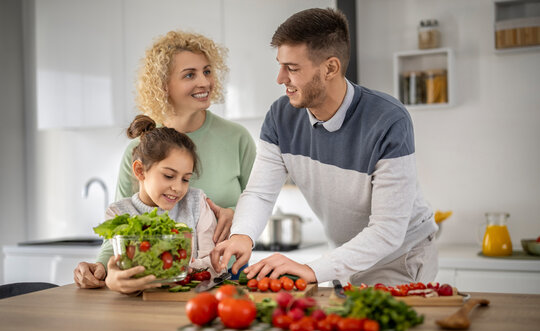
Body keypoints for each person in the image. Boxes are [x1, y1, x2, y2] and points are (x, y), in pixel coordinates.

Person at [210, 8, 439, 286]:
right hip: (346, 253)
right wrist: (242, 235)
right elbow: (260, 192)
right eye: (280, 65)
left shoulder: (388, 120)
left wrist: (314, 270)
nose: (280, 78)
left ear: (330, 68)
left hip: (400, 255)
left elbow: (388, 230)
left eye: (292, 68)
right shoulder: (281, 116)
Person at [74, 30, 256, 288]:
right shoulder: (141, 149)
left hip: (229, 272)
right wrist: (100, 269)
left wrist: (236, 216)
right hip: (158, 280)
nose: (204, 82)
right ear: (163, 85)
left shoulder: (237, 138)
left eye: (207, 71)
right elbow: (119, 230)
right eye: (189, 75)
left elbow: (261, 206)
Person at [104, 115, 224, 294]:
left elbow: (215, 265)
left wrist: (178, 270)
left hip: (189, 301)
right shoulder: (118, 213)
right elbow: (121, 270)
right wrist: (113, 279)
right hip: (138, 308)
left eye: (185, 179)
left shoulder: (196, 202)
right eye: (168, 176)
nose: (177, 188)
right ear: (140, 171)